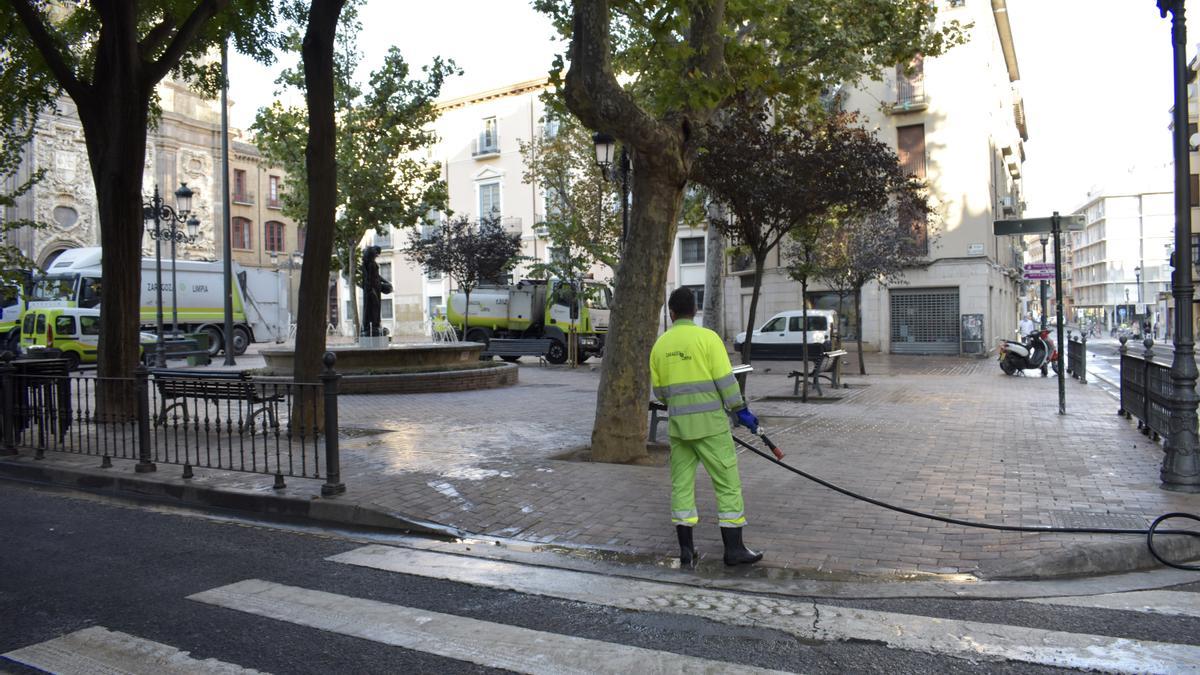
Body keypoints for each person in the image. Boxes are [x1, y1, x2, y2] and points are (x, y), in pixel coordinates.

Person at [650, 287, 763, 568]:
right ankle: (734, 550)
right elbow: (726, 383)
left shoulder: (660, 346)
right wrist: (741, 411)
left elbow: (661, 393)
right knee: (727, 485)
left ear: (672, 313)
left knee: (682, 487)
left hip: (679, 430)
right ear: (695, 310)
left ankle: (686, 550)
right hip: (712, 429)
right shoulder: (708, 339)